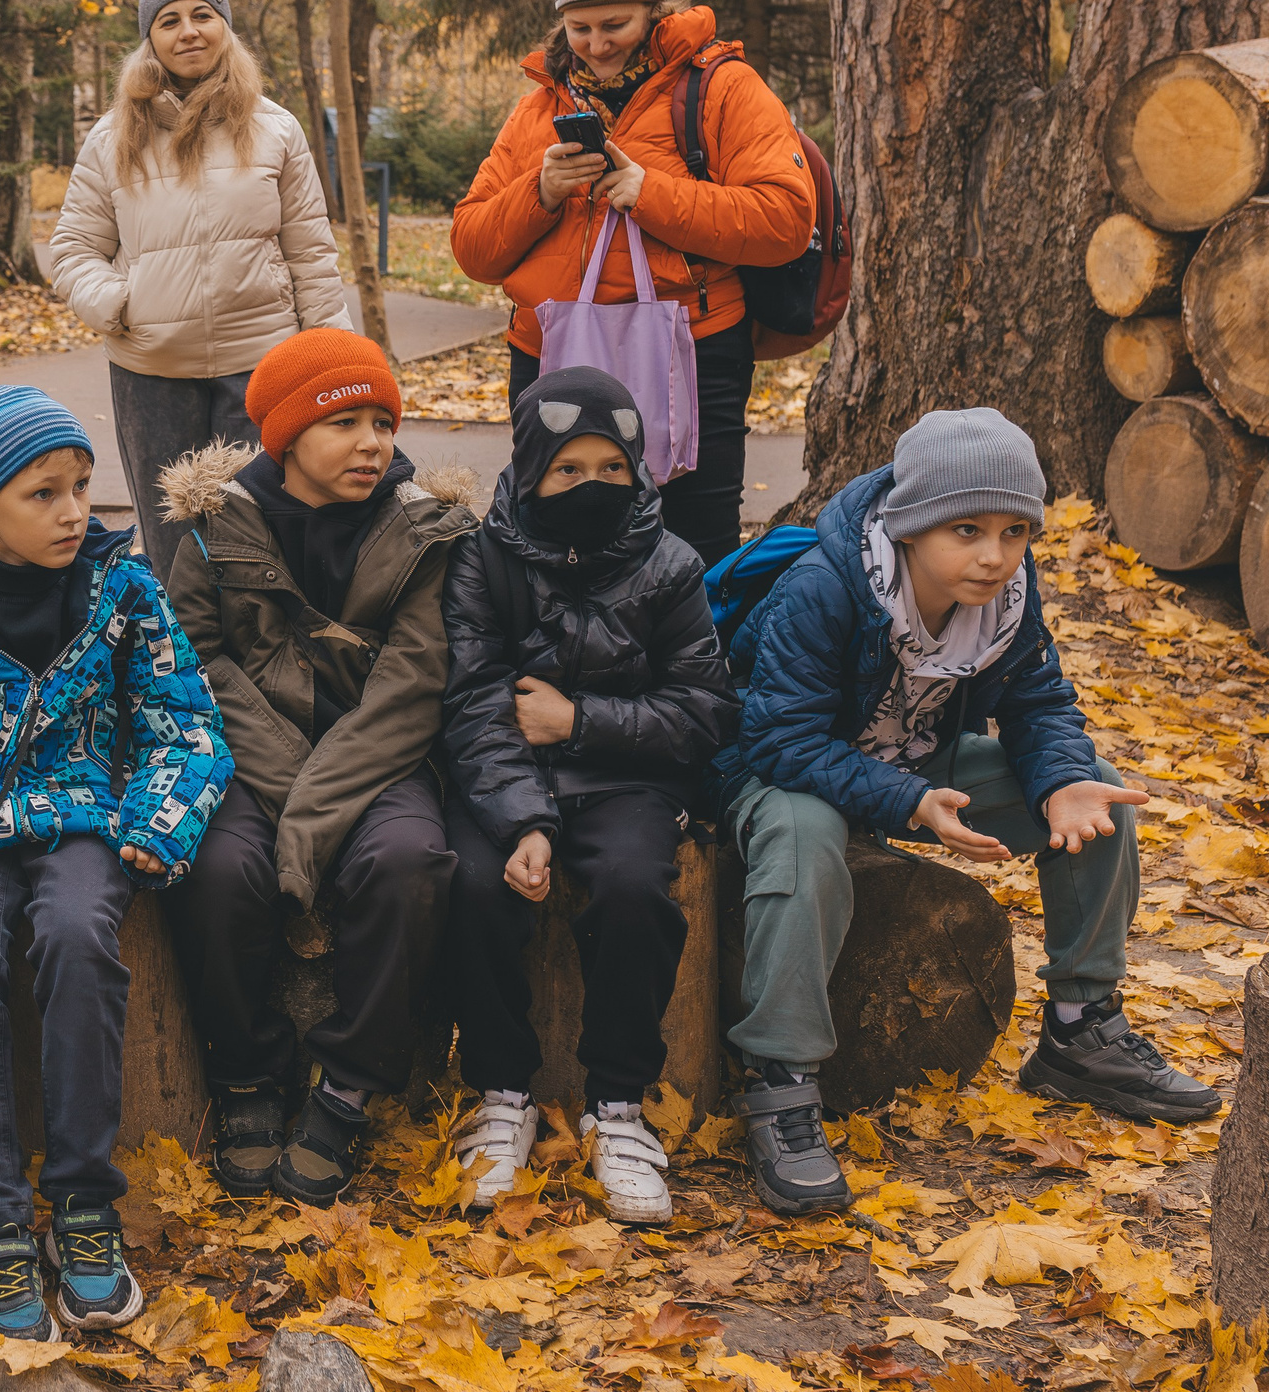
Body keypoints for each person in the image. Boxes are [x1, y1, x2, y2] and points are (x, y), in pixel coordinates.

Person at [716, 407, 1217, 1216]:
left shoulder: (1007, 596)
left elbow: (1039, 702)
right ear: (912, 527)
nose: (995, 555)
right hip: (786, 769)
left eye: (1016, 530)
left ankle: (1081, 1028)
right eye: (968, 530)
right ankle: (782, 1080)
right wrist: (907, 800)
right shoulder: (826, 586)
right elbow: (778, 738)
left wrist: (1057, 783)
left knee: (1099, 789)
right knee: (808, 835)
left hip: (914, 760)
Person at [0, 385, 233, 1341]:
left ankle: (83, 1205)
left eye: (82, 485)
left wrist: (155, 825)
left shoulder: (123, 589)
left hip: (88, 821)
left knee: (80, 934)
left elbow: (188, 721)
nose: (75, 510)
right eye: (43, 492)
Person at [153, 329, 476, 1207]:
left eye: (384, 421)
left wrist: (320, 807)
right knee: (217, 869)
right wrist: (298, 798)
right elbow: (196, 666)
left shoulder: (422, 531)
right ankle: (249, 1075)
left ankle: (347, 1086)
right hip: (248, 757)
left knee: (410, 865)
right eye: (346, 424)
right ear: (286, 438)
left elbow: (413, 684)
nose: (373, 443)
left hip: (381, 761)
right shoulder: (217, 531)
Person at [436, 368, 738, 1224]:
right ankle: (501, 1090)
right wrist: (525, 818)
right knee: (470, 881)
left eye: (612, 468)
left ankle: (619, 1103)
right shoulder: (481, 557)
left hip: (626, 775)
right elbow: (471, 702)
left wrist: (578, 721)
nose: (592, 487)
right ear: (531, 468)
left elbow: (704, 709)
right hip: (501, 777)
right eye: (569, 470)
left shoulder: (671, 565)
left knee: (639, 886)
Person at [449, 0, 815, 567]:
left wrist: (651, 194)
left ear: (654, 9)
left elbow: (785, 219)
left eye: (613, 24)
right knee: (558, 542)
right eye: (578, 28)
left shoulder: (723, 88)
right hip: (551, 354)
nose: (595, 45)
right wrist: (541, 192)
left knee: (692, 546)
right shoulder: (537, 109)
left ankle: (691, 668)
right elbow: (473, 249)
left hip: (693, 353)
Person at [48, 0, 348, 567]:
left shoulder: (277, 130)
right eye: (169, 20)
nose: (188, 30)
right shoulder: (112, 138)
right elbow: (74, 248)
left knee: (259, 535)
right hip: (151, 372)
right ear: (150, 40)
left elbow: (310, 252)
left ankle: (257, 659)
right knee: (172, 547)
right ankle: (181, 661)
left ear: (225, 27)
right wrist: (117, 302)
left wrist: (332, 357)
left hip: (259, 366)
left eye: (202, 15)